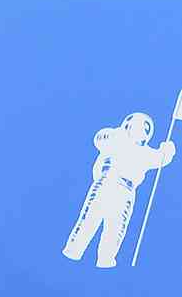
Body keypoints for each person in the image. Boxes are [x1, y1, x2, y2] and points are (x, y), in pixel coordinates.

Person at [62, 111, 174, 269]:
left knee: (115, 228)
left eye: (146, 128)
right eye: (139, 125)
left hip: (126, 191)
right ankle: (73, 250)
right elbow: (99, 139)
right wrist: (115, 134)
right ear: (129, 124)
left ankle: (105, 260)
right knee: (89, 219)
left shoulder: (145, 153)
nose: (142, 130)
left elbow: (160, 158)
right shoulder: (116, 138)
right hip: (106, 182)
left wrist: (167, 150)